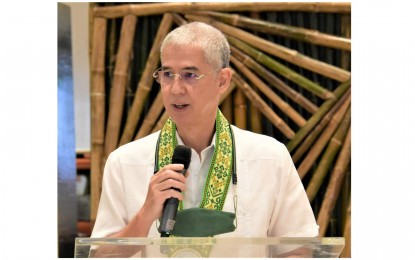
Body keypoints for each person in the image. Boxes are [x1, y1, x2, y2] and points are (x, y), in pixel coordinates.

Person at [90, 21, 319, 255]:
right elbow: (99, 256)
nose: (175, 89)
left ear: (223, 80)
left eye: (189, 75)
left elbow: (299, 249)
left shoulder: (270, 156)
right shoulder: (125, 161)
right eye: (167, 74)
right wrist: (146, 213)